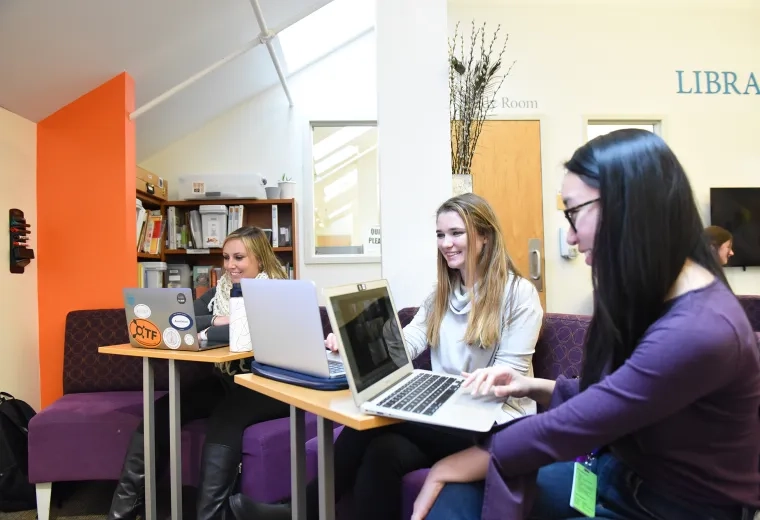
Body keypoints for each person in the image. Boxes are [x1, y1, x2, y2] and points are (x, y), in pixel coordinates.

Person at [412, 129, 760, 520]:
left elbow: (583, 423)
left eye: (574, 213)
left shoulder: (700, 330)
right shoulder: (658, 297)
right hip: (617, 476)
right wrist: (529, 385)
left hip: (660, 506)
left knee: (457, 490)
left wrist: (460, 462)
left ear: (626, 206)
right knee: (456, 502)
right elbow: (614, 395)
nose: (573, 236)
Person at [227, 192, 544, 520]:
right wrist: (354, 344)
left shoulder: (519, 295)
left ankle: (295, 512)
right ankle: (298, 512)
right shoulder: (441, 294)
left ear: (484, 237)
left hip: (494, 422)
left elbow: (510, 379)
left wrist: (448, 397)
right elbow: (406, 342)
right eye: (440, 234)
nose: (446, 243)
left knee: (371, 425)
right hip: (446, 418)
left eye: (456, 233)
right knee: (383, 453)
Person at [108, 226, 291, 520]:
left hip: (269, 385)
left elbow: (245, 328)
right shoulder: (220, 292)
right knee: (164, 411)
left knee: (226, 418)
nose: (230, 265)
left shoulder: (278, 291)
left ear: (261, 260)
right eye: (226, 257)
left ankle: (211, 516)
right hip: (227, 380)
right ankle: (123, 514)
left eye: (239, 257)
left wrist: (210, 330)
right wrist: (219, 318)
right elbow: (181, 320)